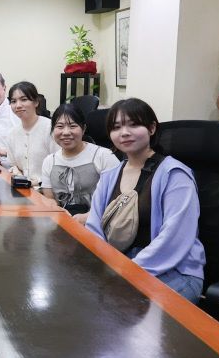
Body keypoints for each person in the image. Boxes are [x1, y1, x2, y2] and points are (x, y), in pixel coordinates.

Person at [85, 98, 205, 303]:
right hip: (121, 265)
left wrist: (126, 271)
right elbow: (94, 227)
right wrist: (106, 266)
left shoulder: (175, 174)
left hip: (172, 270)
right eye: (116, 127)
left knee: (122, 313)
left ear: (151, 128)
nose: (124, 132)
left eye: (133, 124)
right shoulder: (110, 175)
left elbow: (174, 237)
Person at [41, 103, 120, 224]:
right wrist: (57, 212)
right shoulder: (49, 161)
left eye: (72, 126)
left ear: (83, 129)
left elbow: (117, 200)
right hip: (62, 224)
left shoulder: (104, 156)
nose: (66, 132)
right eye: (60, 126)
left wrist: (89, 217)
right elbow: (50, 199)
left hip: (100, 225)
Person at [3, 81, 57, 184]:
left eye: (24, 99)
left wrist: (38, 182)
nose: (18, 105)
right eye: (13, 101)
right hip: (24, 191)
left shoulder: (51, 128)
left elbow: (60, 165)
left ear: (36, 102)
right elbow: (12, 165)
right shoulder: (12, 134)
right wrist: (16, 172)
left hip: (48, 191)